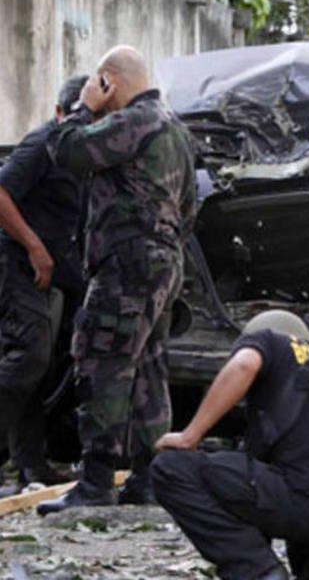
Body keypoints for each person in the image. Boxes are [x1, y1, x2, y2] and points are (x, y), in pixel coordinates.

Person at [38, 45, 198, 514]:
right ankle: (149, 479)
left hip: (127, 262)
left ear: (108, 80)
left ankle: (95, 482)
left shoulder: (132, 122)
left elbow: (65, 151)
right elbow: (189, 209)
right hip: (164, 262)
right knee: (148, 368)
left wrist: (83, 108)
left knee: (101, 359)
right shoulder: (176, 129)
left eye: (98, 84)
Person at [150, 310, 309, 580]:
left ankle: (260, 573)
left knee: (171, 468)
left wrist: (189, 436)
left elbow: (244, 364)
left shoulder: (271, 341)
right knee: (293, 477)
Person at [0, 75, 88, 492]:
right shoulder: (43, 143)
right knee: (27, 358)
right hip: (19, 260)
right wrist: (34, 247)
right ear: (59, 113)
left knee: (49, 365)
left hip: (61, 266)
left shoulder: (92, 148)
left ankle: (31, 465)